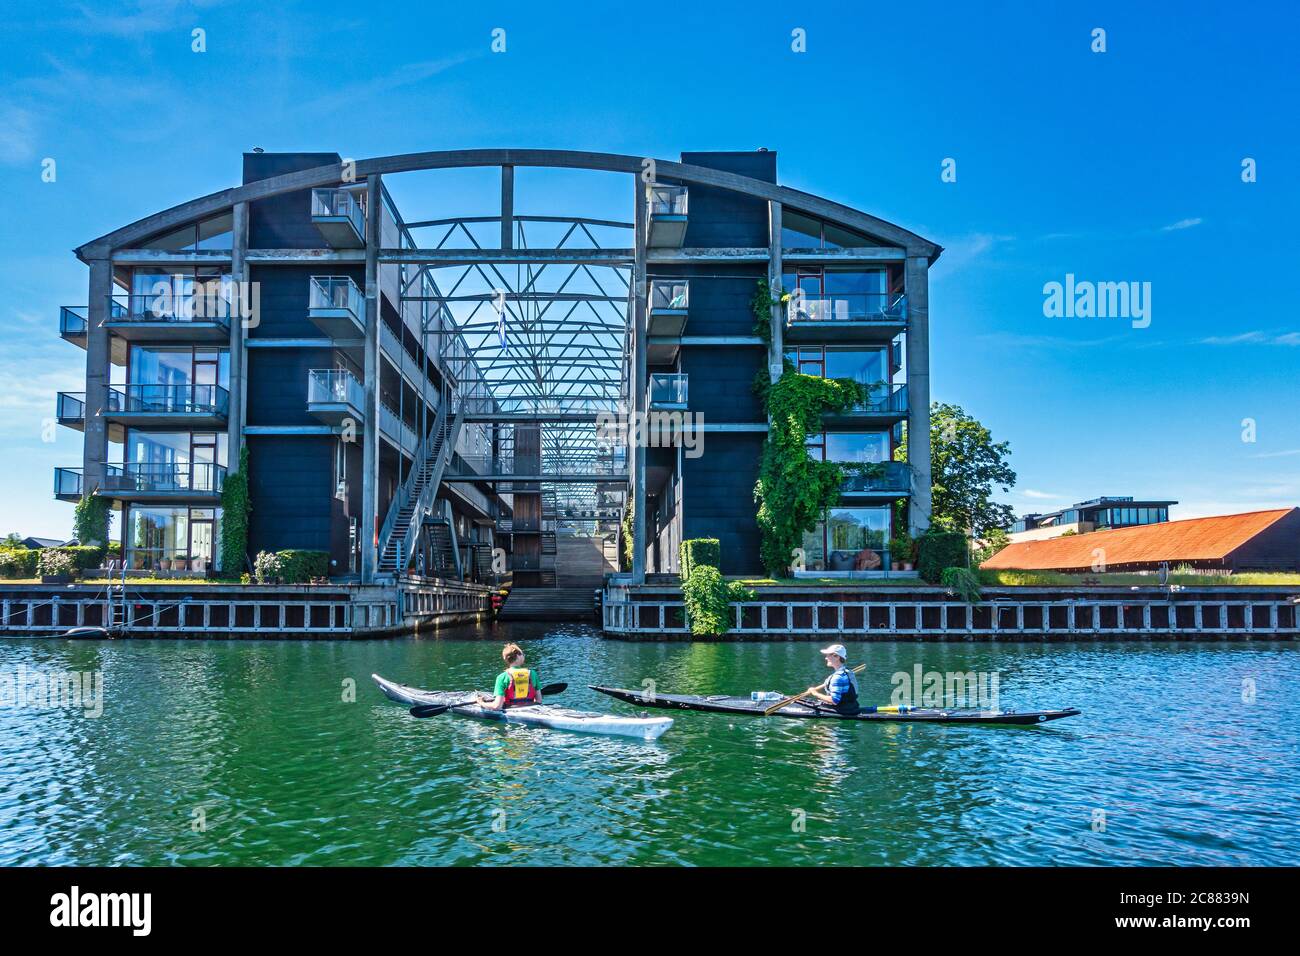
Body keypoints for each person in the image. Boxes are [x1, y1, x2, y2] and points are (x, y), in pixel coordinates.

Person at [477, 643, 543, 710]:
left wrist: (481, 703)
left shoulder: (502, 677)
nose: (524, 656)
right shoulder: (533, 674)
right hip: (530, 709)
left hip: (511, 711)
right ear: (518, 656)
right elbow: (539, 701)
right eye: (523, 654)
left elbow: (497, 706)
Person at [801, 643, 860, 715]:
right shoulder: (848, 671)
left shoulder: (837, 677)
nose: (826, 658)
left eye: (828, 655)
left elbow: (834, 700)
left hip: (843, 710)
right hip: (852, 707)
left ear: (836, 656)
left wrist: (815, 693)